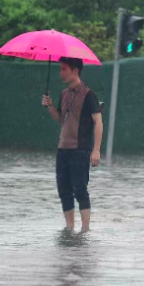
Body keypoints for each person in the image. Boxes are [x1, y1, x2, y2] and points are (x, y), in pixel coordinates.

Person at [41, 57, 103, 232]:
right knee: (63, 189)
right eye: (60, 69)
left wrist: (96, 150)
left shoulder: (89, 95)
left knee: (80, 189)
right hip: (63, 149)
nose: (61, 73)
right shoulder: (64, 93)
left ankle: (85, 230)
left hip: (80, 149)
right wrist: (50, 106)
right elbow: (62, 119)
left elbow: (98, 122)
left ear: (75, 71)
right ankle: (69, 228)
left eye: (64, 69)